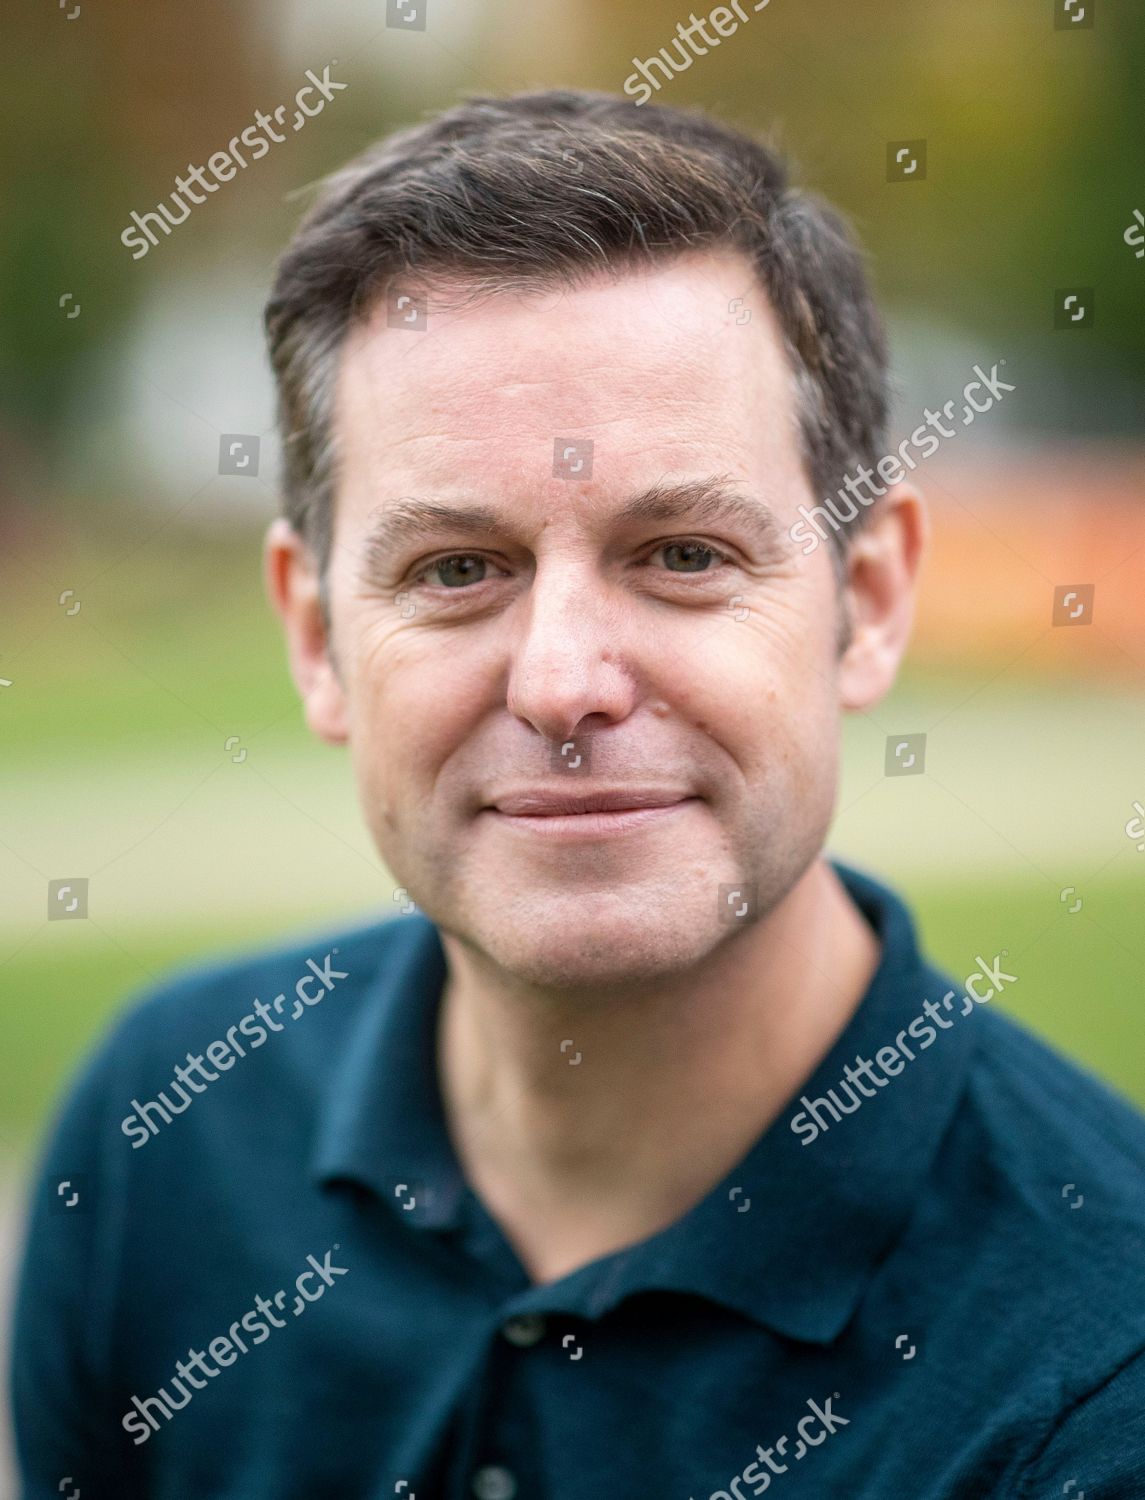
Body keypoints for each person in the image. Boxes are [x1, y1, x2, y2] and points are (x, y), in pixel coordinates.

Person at [11, 89, 1145, 1498]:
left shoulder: (1099, 1371)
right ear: (315, 640)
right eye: (454, 570)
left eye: (679, 553)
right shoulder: (163, 1137)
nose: (561, 684)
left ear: (868, 597)